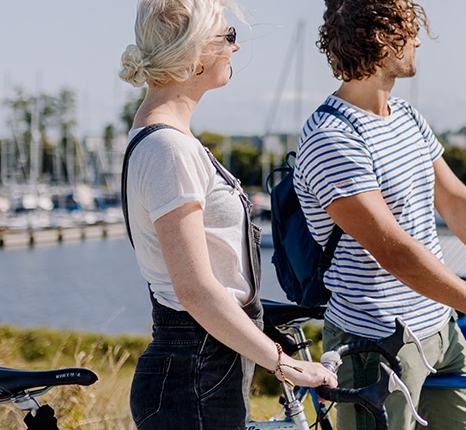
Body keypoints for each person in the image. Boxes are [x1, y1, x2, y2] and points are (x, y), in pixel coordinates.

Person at [295, 1, 466, 429]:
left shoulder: (405, 117)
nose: (419, 40)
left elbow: (456, 201)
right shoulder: (332, 138)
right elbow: (394, 252)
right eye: (409, 30)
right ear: (383, 41)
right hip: (375, 342)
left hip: (441, 327)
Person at [117, 0, 336, 428]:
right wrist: (286, 365)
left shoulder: (164, 139)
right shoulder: (169, 149)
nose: (235, 49)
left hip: (202, 366)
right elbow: (195, 289)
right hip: (194, 371)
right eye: (228, 37)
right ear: (194, 55)